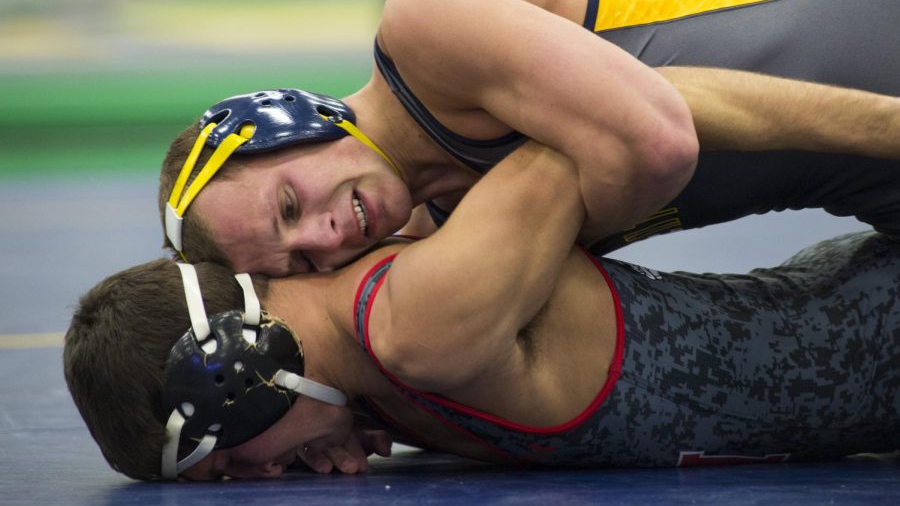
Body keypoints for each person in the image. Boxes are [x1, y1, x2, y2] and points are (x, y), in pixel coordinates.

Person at [69, 140, 900, 481]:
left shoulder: (422, 324)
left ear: (236, 378)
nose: (261, 478)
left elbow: (607, 133)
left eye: (228, 468)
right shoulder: (380, 367)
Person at [157, 0, 900, 276]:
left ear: (288, 119)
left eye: (289, 206)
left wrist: (558, 232)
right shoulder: (438, 239)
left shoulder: (425, 28)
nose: (322, 239)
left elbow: (657, 140)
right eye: (301, 262)